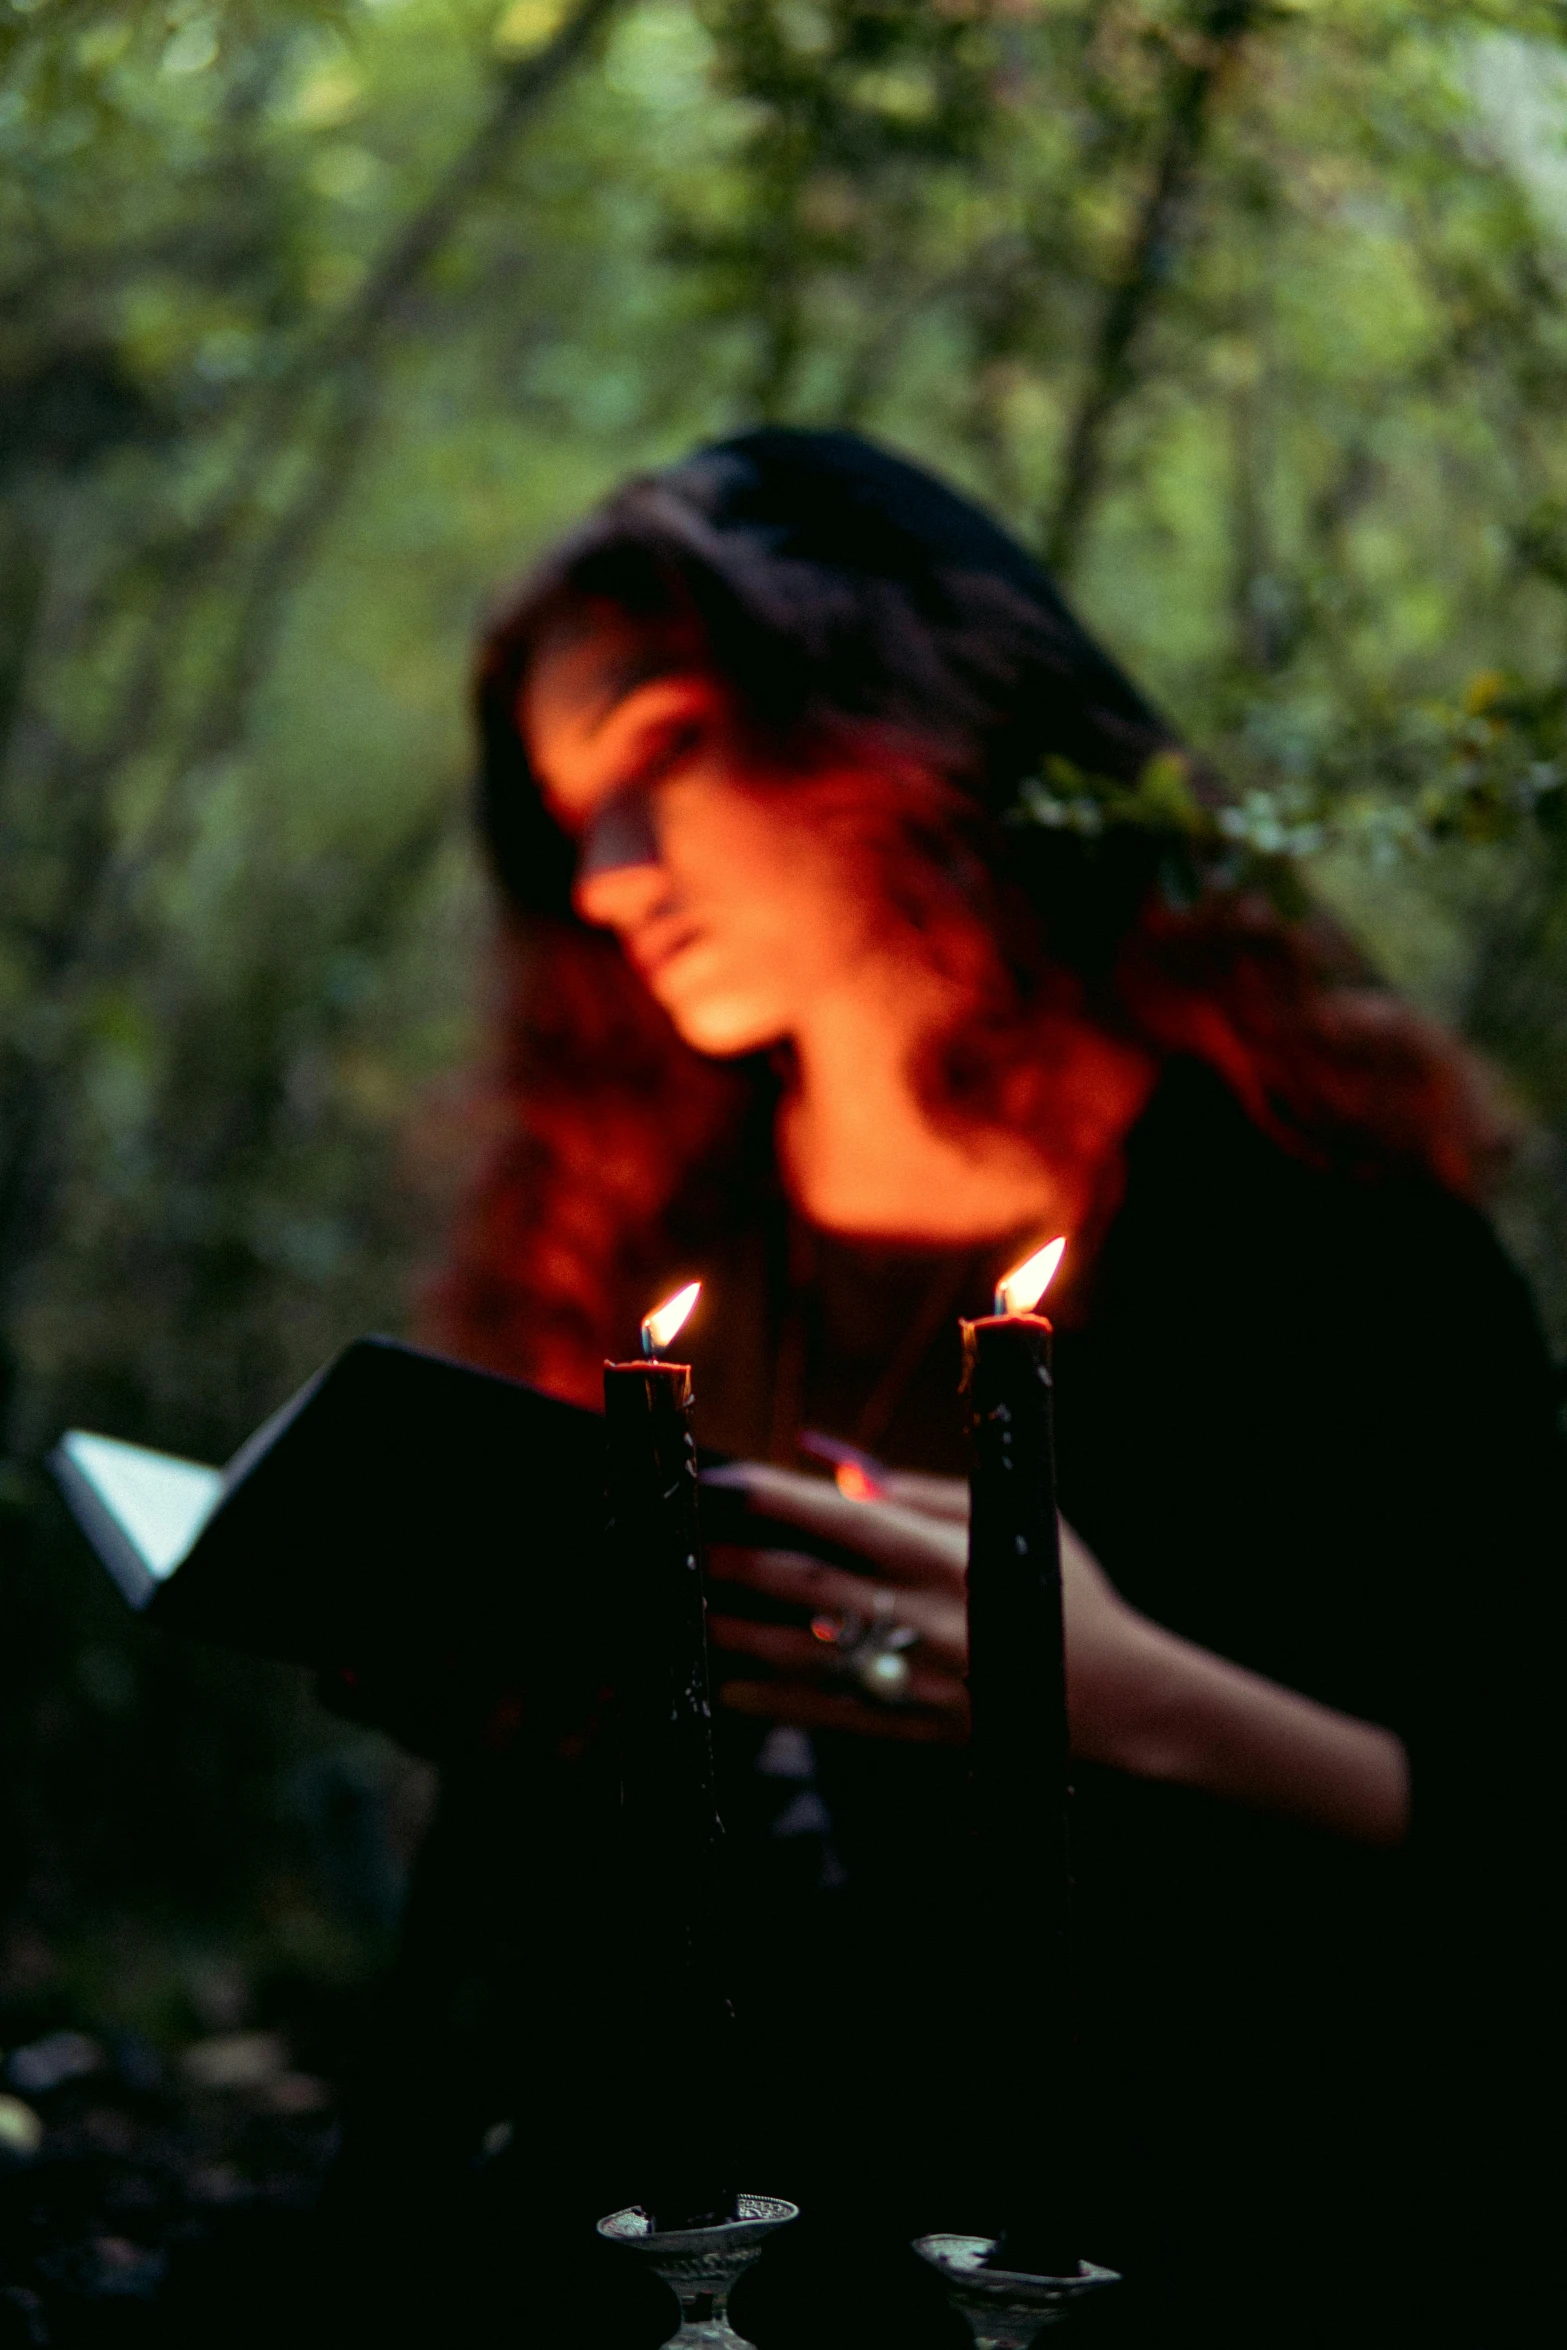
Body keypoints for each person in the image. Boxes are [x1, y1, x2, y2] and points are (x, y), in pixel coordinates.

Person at [360, 431, 1561, 2348]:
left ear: (903, 712)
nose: (607, 878)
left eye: (664, 752)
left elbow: (1517, 1843)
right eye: (572, 810)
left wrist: (1133, 1702)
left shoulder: (1327, 1254)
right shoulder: (656, 1252)